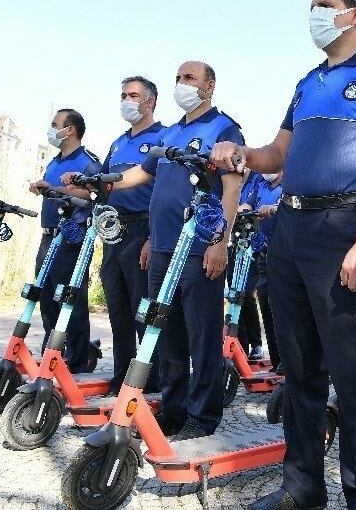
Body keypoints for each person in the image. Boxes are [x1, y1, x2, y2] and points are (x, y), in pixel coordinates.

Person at [211, 0, 356, 510]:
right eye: (312, 7)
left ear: (355, 14)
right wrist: (242, 155)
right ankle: (302, 488)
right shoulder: (306, 82)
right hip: (290, 228)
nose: (314, 16)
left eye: (324, 6)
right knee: (299, 369)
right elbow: (276, 155)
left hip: (345, 226)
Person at [79, 61, 243, 440]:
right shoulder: (169, 133)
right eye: (178, 78)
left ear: (209, 86)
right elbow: (140, 173)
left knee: (202, 336)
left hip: (200, 248)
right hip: (164, 249)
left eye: (190, 78)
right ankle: (173, 410)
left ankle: (202, 418)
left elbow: (232, 189)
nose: (182, 84)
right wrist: (100, 182)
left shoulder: (223, 129)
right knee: (165, 334)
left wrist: (220, 242)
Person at [99, 76, 164, 393]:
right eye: (123, 95)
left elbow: (166, 193)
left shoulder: (163, 138)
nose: (126, 101)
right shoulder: (117, 143)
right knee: (118, 309)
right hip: (114, 230)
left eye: (133, 95)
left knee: (143, 311)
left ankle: (151, 377)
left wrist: (154, 237)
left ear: (150, 101)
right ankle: (122, 375)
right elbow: (101, 185)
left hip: (143, 228)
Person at [28, 108, 101, 373]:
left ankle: (78, 359)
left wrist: (55, 190)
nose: (51, 129)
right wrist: (41, 188)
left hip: (73, 236)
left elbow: (96, 194)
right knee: (46, 296)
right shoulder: (54, 161)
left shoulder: (88, 162)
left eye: (54, 124)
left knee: (70, 297)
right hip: (48, 235)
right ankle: (53, 352)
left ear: (69, 130)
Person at [244, 170, 285, 371]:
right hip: (263, 252)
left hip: (284, 253)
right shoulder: (260, 183)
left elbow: (290, 205)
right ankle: (278, 362)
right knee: (265, 300)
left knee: (283, 307)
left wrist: (274, 208)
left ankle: (290, 361)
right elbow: (247, 205)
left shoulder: (289, 183)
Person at [233, 170, 266, 360]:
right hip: (236, 244)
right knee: (235, 295)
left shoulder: (257, 178)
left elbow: (250, 206)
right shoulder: (231, 178)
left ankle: (256, 343)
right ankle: (240, 346)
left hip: (255, 247)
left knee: (246, 295)